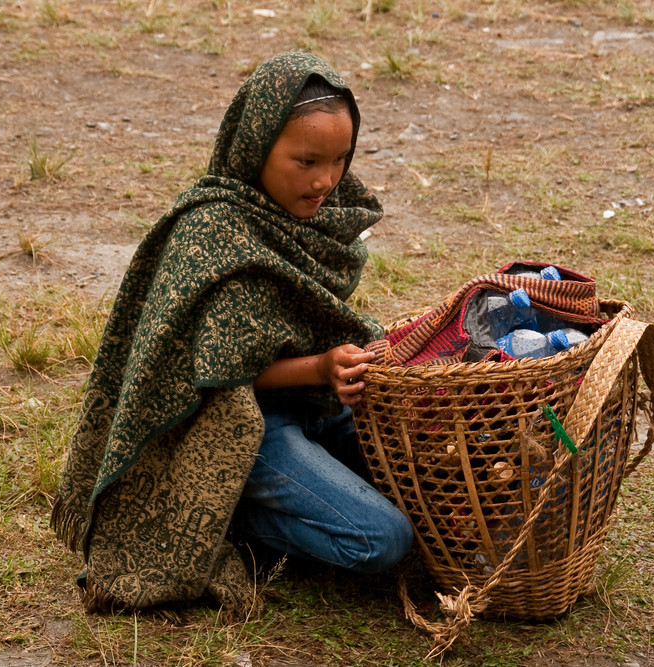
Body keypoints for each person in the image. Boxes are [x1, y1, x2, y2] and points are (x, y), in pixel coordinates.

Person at [50, 52, 413, 615]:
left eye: (341, 158)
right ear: (255, 148)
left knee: (421, 475)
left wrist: (339, 366)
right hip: (230, 427)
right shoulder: (213, 232)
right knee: (382, 538)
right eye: (306, 160)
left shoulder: (315, 213)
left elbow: (295, 325)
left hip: (311, 403)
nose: (326, 179)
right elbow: (211, 374)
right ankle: (226, 518)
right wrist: (320, 367)